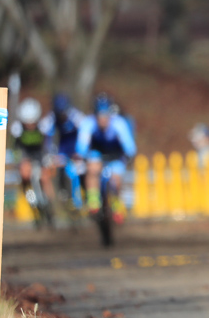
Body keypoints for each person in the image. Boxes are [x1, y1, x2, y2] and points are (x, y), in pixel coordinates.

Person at [75, 93, 137, 222]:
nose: (102, 120)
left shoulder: (119, 124)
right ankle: (93, 201)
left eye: (105, 116)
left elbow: (129, 145)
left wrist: (129, 154)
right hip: (97, 154)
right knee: (92, 169)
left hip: (115, 156)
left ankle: (116, 205)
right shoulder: (88, 123)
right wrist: (80, 154)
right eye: (99, 116)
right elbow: (82, 144)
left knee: (115, 179)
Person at [39, 92, 86, 209]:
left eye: (63, 112)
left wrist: (81, 152)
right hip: (62, 149)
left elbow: (86, 133)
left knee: (81, 171)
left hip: (77, 149)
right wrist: (49, 154)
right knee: (56, 169)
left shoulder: (76, 116)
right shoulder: (51, 118)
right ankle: (62, 196)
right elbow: (45, 135)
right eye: (59, 112)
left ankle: (85, 196)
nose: (62, 115)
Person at [11, 97, 56, 221]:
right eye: (27, 122)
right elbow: (15, 148)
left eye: (32, 122)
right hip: (25, 155)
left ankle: (49, 203)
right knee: (25, 173)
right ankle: (30, 197)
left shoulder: (43, 126)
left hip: (40, 154)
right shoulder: (17, 128)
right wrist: (18, 161)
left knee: (45, 176)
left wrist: (49, 158)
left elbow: (48, 145)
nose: (30, 125)